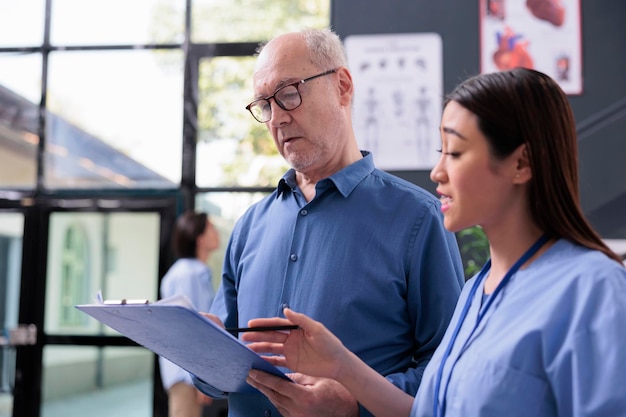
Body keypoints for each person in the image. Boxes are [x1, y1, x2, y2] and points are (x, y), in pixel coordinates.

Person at [242, 67, 626, 417]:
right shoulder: (478, 291)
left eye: (455, 152)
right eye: (440, 151)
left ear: (520, 164)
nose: (437, 171)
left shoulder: (593, 289)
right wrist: (341, 364)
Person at [192, 28, 465, 417]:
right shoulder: (250, 225)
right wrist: (200, 352)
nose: (278, 119)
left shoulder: (418, 220)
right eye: (265, 105)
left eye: (289, 94)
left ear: (342, 86)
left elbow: (449, 371)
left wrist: (353, 404)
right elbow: (223, 367)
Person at [159, 210, 221, 417]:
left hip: (185, 373)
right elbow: (191, 330)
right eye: (211, 227)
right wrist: (198, 377)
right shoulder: (190, 274)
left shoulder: (192, 271)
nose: (217, 232)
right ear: (199, 237)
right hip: (186, 375)